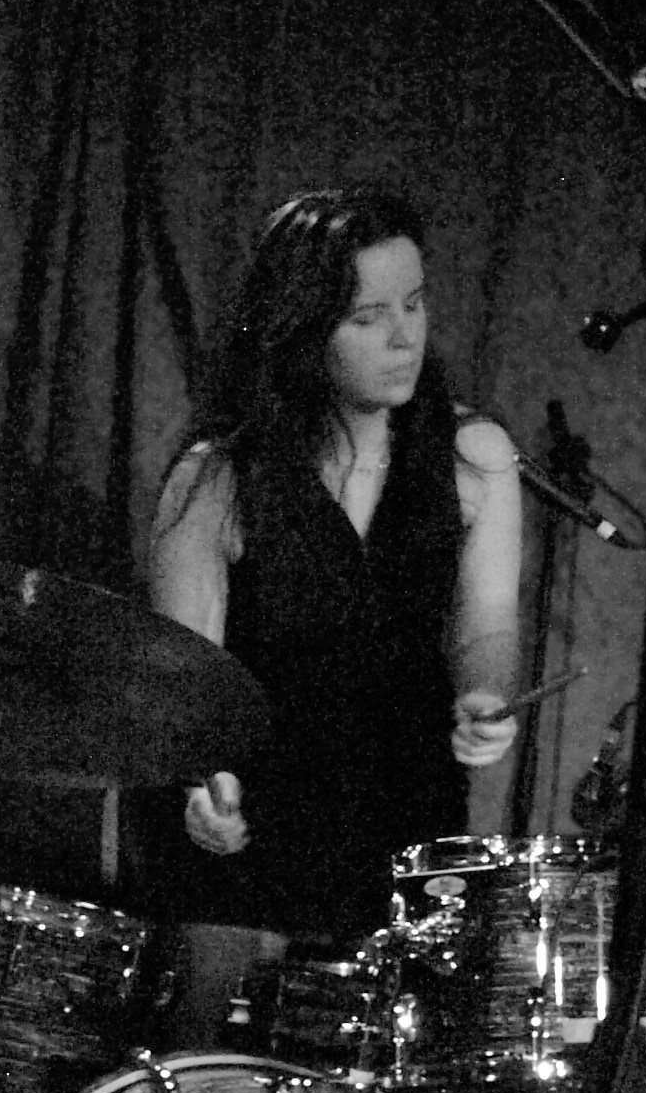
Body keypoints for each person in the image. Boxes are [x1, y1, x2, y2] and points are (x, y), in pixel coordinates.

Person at [141, 184, 521, 1045]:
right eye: (368, 317)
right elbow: (185, 680)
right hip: (253, 821)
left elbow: (488, 622)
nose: (404, 337)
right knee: (209, 1048)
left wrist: (487, 694)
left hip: (401, 811)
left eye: (415, 304)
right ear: (303, 331)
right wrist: (203, 785)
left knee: (381, 1076)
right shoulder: (217, 477)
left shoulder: (475, 456)